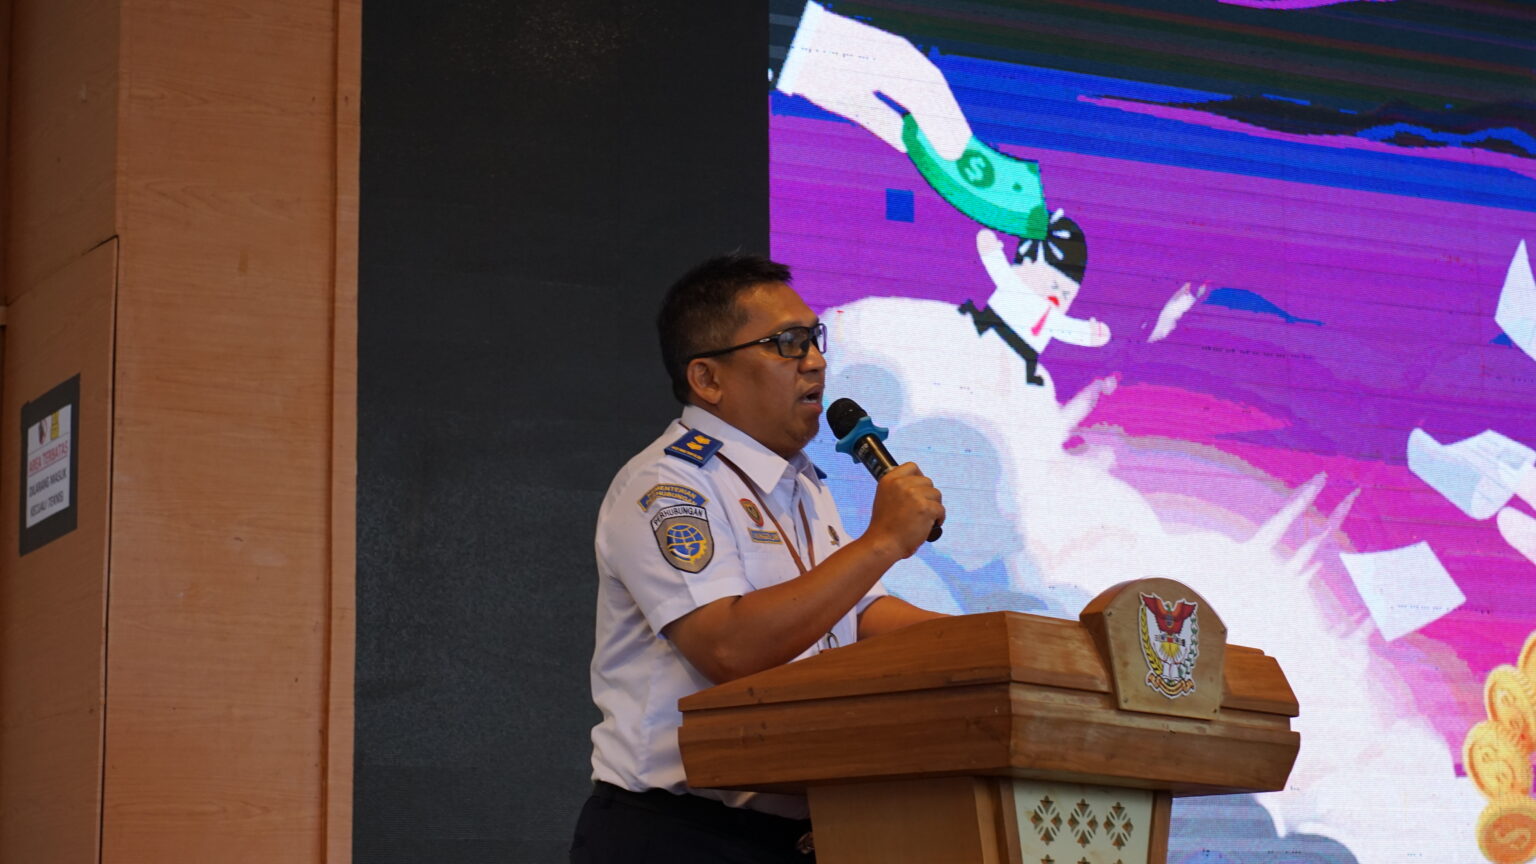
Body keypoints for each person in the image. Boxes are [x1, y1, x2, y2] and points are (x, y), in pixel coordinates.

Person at [570, 254, 948, 863]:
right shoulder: (670, 485)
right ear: (708, 379)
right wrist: (881, 542)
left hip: (801, 834)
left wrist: (1001, 639)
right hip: (679, 835)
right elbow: (727, 647)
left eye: (815, 339)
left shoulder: (804, 483)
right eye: (787, 343)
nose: (815, 361)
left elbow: (855, 616)